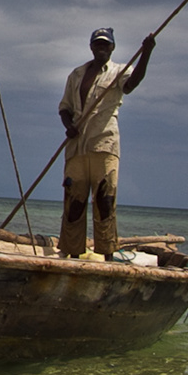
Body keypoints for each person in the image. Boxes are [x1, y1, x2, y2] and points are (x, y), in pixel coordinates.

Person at [58, 26, 153, 259]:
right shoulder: (77, 74)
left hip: (104, 145)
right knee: (74, 201)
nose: (102, 49)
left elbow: (132, 84)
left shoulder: (120, 71)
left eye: (106, 45)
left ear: (113, 47)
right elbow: (64, 109)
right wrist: (68, 126)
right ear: (91, 47)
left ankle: (107, 253)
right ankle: (71, 251)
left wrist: (146, 53)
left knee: (104, 200)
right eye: (98, 44)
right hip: (77, 148)